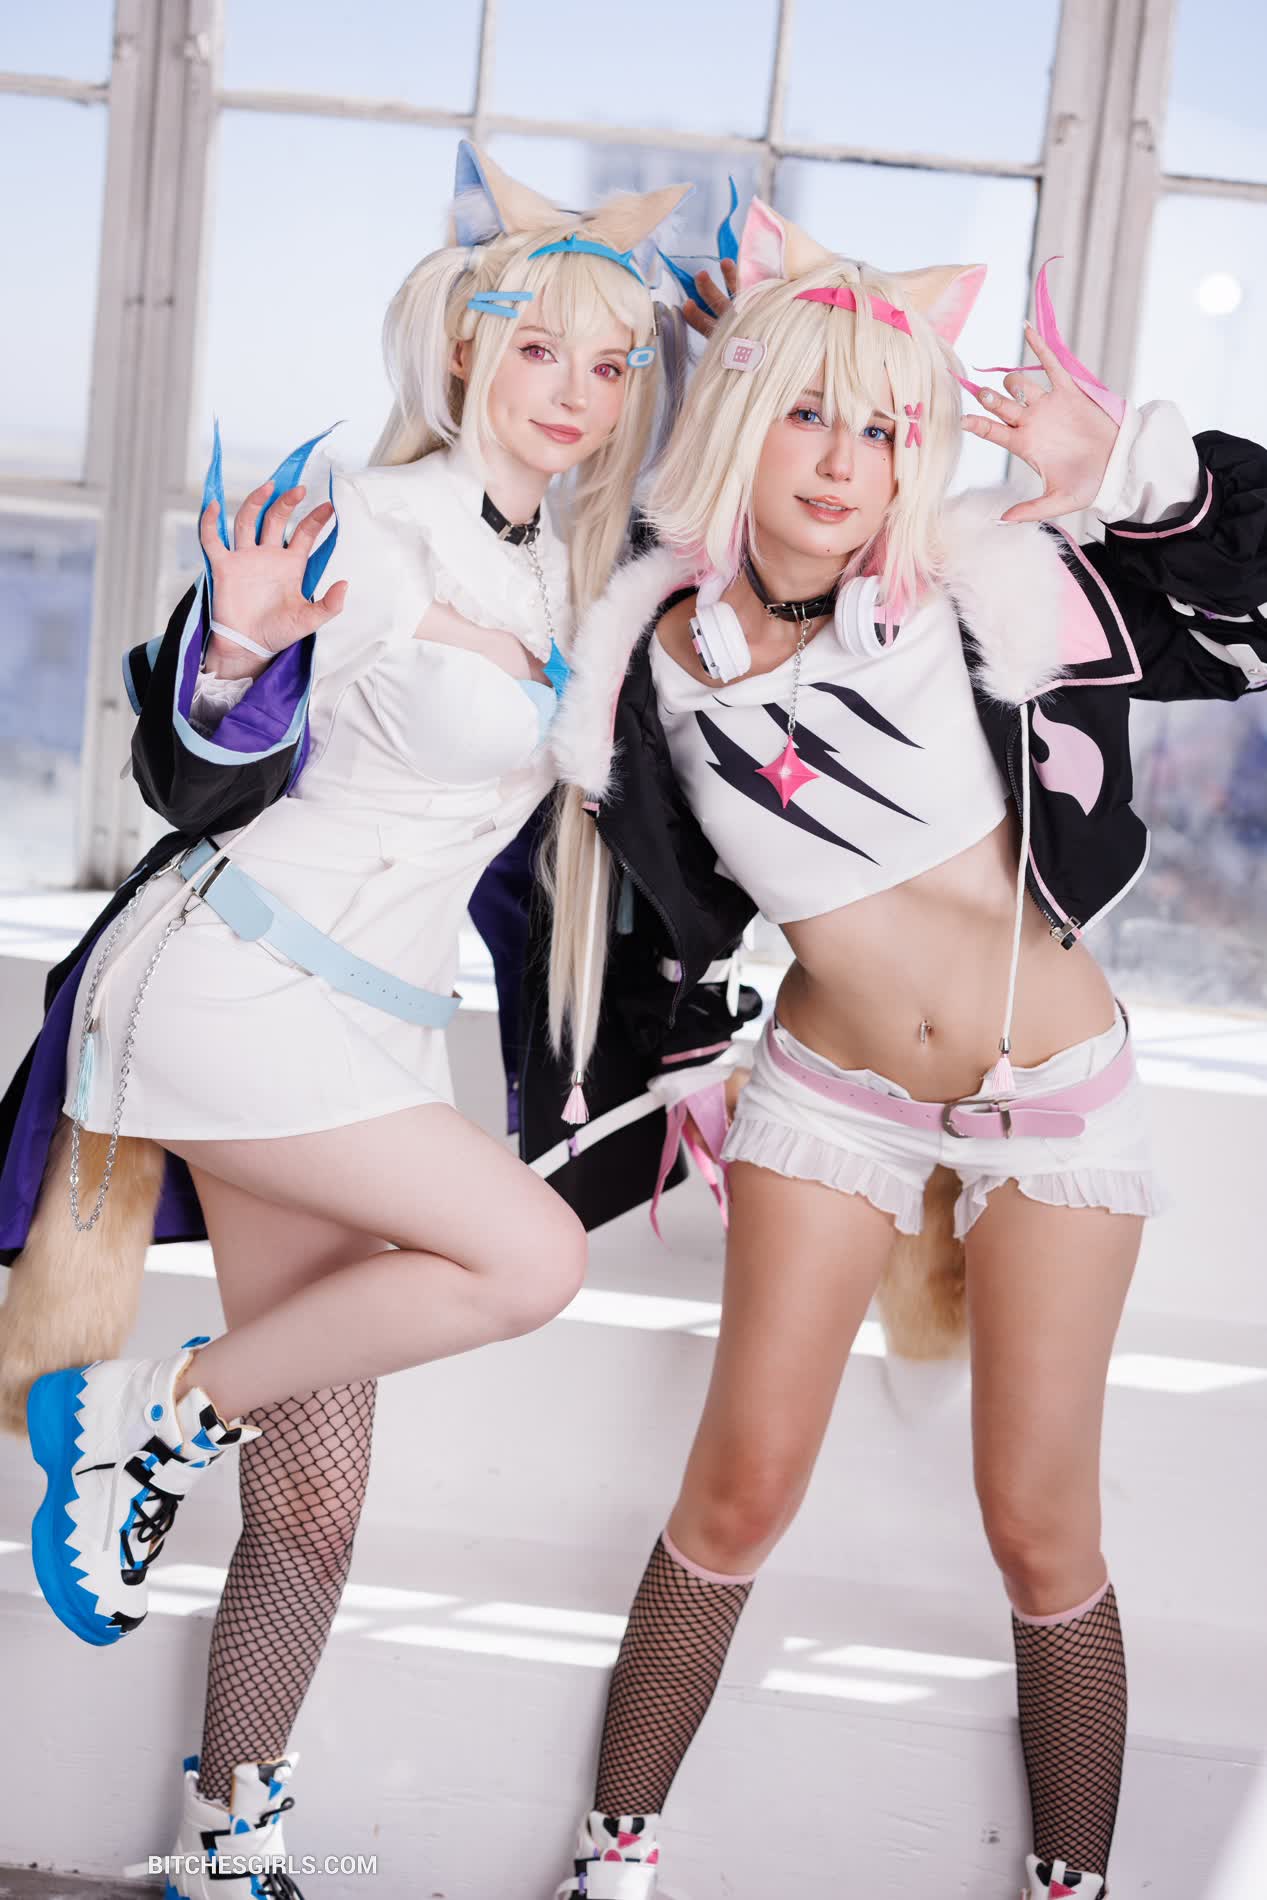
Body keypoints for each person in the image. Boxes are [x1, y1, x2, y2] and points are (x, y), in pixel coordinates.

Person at [523, 197, 1267, 1898]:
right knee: (738, 1492)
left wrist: (1131, 469)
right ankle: (612, 1865)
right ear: (740, 416)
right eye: (807, 413)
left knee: (1040, 1527)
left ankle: (1072, 1885)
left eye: (882, 427)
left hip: (1053, 1107)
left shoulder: (992, 584)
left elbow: (1256, 600)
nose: (845, 463)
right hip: (830, 1099)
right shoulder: (644, 659)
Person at [0, 140, 688, 1891]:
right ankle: (151, 1413)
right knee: (529, 1260)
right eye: (541, 348)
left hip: (367, 1027)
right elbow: (205, 763)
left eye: (614, 365)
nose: (578, 392)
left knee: (314, 1496)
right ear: (464, 345)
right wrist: (234, 659)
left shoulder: (563, 572)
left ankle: (229, 1847)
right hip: (235, 983)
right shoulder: (365, 522)